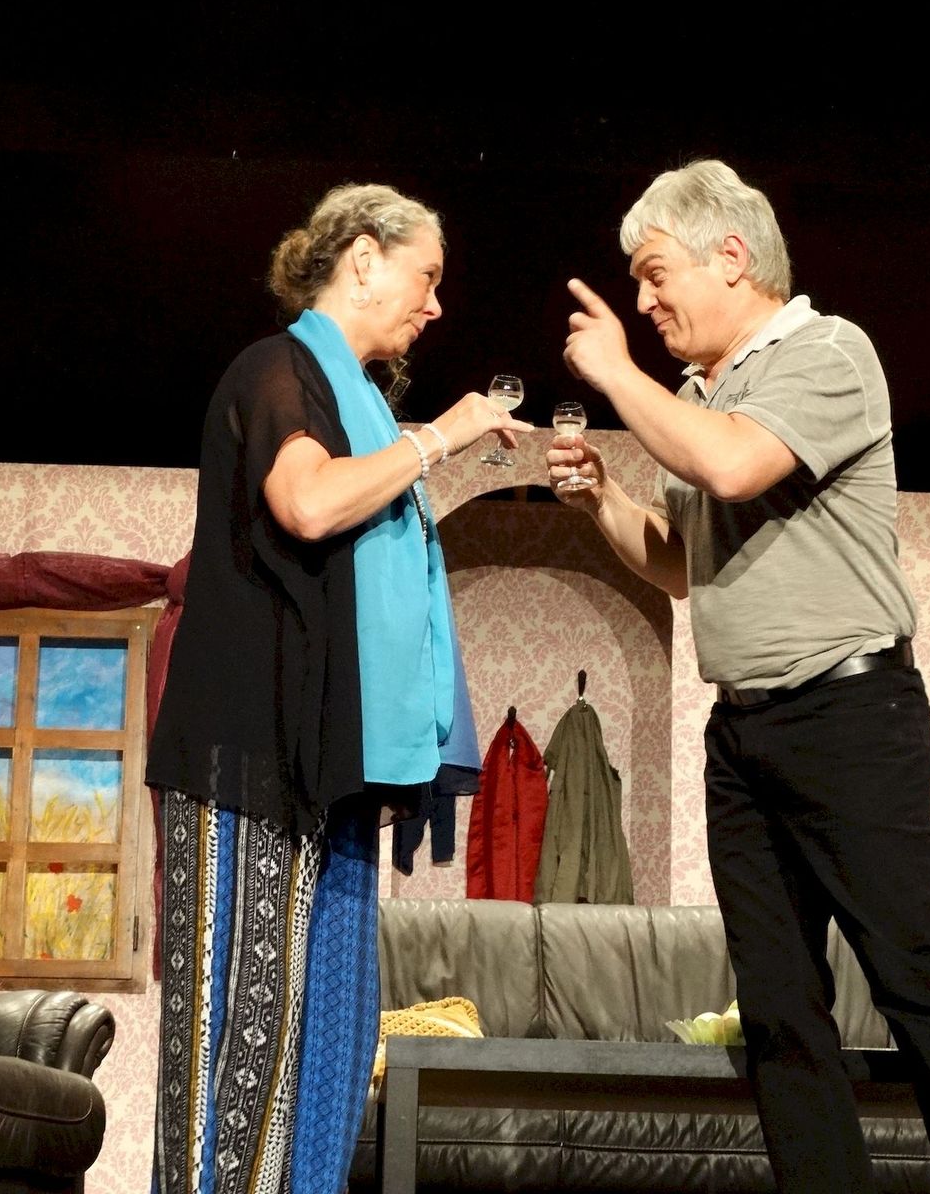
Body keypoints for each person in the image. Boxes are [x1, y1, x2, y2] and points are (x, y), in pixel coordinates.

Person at [547, 158, 930, 1193]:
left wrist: (617, 374)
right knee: (776, 1002)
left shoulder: (828, 352)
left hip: (847, 712)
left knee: (910, 970)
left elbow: (732, 464)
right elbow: (681, 566)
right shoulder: (701, 398)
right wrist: (601, 502)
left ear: (731, 256)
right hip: (743, 733)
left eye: (655, 275)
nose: (645, 302)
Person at [146, 181, 530, 1194]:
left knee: (326, 1047)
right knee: (240, 1044)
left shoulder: (360, 403)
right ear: (362, 258)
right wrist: (439, 438)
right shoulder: (277, 368)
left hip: (331, 769)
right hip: (249, 757)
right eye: (426, 277)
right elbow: (308, 504)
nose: (436, 305)